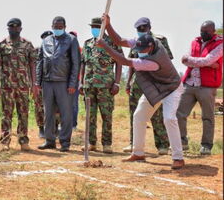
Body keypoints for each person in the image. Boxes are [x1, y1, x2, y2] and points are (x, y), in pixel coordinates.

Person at [97, 14, 185, 170]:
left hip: (171, 88)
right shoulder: (145, 42)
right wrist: (108, 25)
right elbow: (120, 41)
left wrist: (105, 46)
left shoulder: (153, 60)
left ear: (150, 47)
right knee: (139, 116)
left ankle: (178, 158)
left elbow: (124, 61)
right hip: (156, 86)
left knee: (169, 118)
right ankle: (138, 152)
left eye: (142, 50)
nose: (139, 52)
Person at [124, 17, 171, 155]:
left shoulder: (160, 40)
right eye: (138, 29)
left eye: (143, 28)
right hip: (137, 82)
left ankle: (162, 145)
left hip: (154, 82)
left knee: (156, 114)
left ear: (149, 27)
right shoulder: (136, 41)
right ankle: (134, 144)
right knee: (134, 113)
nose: (141, 31)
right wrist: (128, 83)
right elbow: (132, 61)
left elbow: (166, 61)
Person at [35, 16, 80, 152]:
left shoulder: (71, 40)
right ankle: (50, 141)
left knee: (66, 114)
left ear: (65, 27)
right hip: (47, 82)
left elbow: (75, 64)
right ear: (52, 25)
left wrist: (72, 83)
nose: (57, 29)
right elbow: (40, 61)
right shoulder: (46, 40)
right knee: (48, 113)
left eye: (60, 27)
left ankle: (65, 143)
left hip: (64, 83)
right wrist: (38, 81)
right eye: (55, 26)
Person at [177, 20, 222, 155]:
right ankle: (182, 142)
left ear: (213, 31)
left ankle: (206, 146)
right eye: (201, 31)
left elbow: (208, 60)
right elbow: (184, 58)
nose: (203, 34)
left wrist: (196, 61)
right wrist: (207, 63)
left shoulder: (220, 43)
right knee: (179, 114)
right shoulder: (194, 41)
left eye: (206, 32)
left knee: (207, 117)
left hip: (207, 86)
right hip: (189, 84)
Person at [0, 18, 37, 151]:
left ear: (20, 29)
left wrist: (34, 84)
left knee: (23, 113)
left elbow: (32, 64)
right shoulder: (2, 45)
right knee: (7, 114)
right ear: (8, 29)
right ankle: (5, 141)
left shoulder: (27, 45)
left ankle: (23, 140)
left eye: (16, 27)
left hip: (23, 86)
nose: (14, 29)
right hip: (7, 86)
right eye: (11, 27)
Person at [79, 17, 122, 154]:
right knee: (90, 115)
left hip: (106, 85)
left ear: (103, 27)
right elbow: (83, 63)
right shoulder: (88, 44)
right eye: (93, 27)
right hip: (89, 85)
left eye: (97, 27)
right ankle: (92, 143)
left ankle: (107, 144)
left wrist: (117, 82)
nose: (94, 29)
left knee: (106, 115)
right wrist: (81, 82)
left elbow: (119, 62)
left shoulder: (112, 43)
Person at [33, 30, 53, 138]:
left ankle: (53, 128)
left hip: (53, 83)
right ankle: (41, 128)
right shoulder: (36, 51)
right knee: (39, 106)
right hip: (39, 84)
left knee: (55, 106)